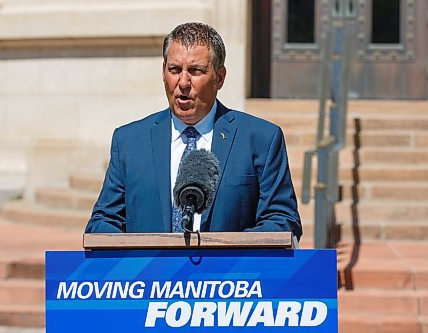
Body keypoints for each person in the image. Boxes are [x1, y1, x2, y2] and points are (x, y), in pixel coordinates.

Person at [85, 22, 302, 241]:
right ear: (163, 72)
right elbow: (103, 222)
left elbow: (282, 220)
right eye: (174, 70)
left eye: (196, 71)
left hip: (228, 273)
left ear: (219, 77)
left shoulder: (260, 139)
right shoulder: (129, 142)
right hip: (150, 272)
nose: (183, 82)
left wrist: (224, 250)